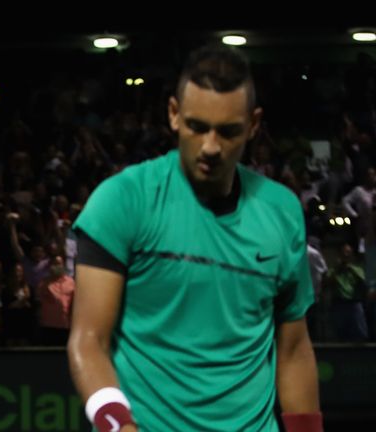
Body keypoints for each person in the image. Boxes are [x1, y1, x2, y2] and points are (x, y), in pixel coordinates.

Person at [67, 44, 322, 432]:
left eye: (228, 131)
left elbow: (293, 349)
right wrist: (119, 425)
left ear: (254, 124)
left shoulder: (282, 211)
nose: (210, 147)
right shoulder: (121, 201)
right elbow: (88, 340)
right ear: (173, 115)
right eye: (197, 127)